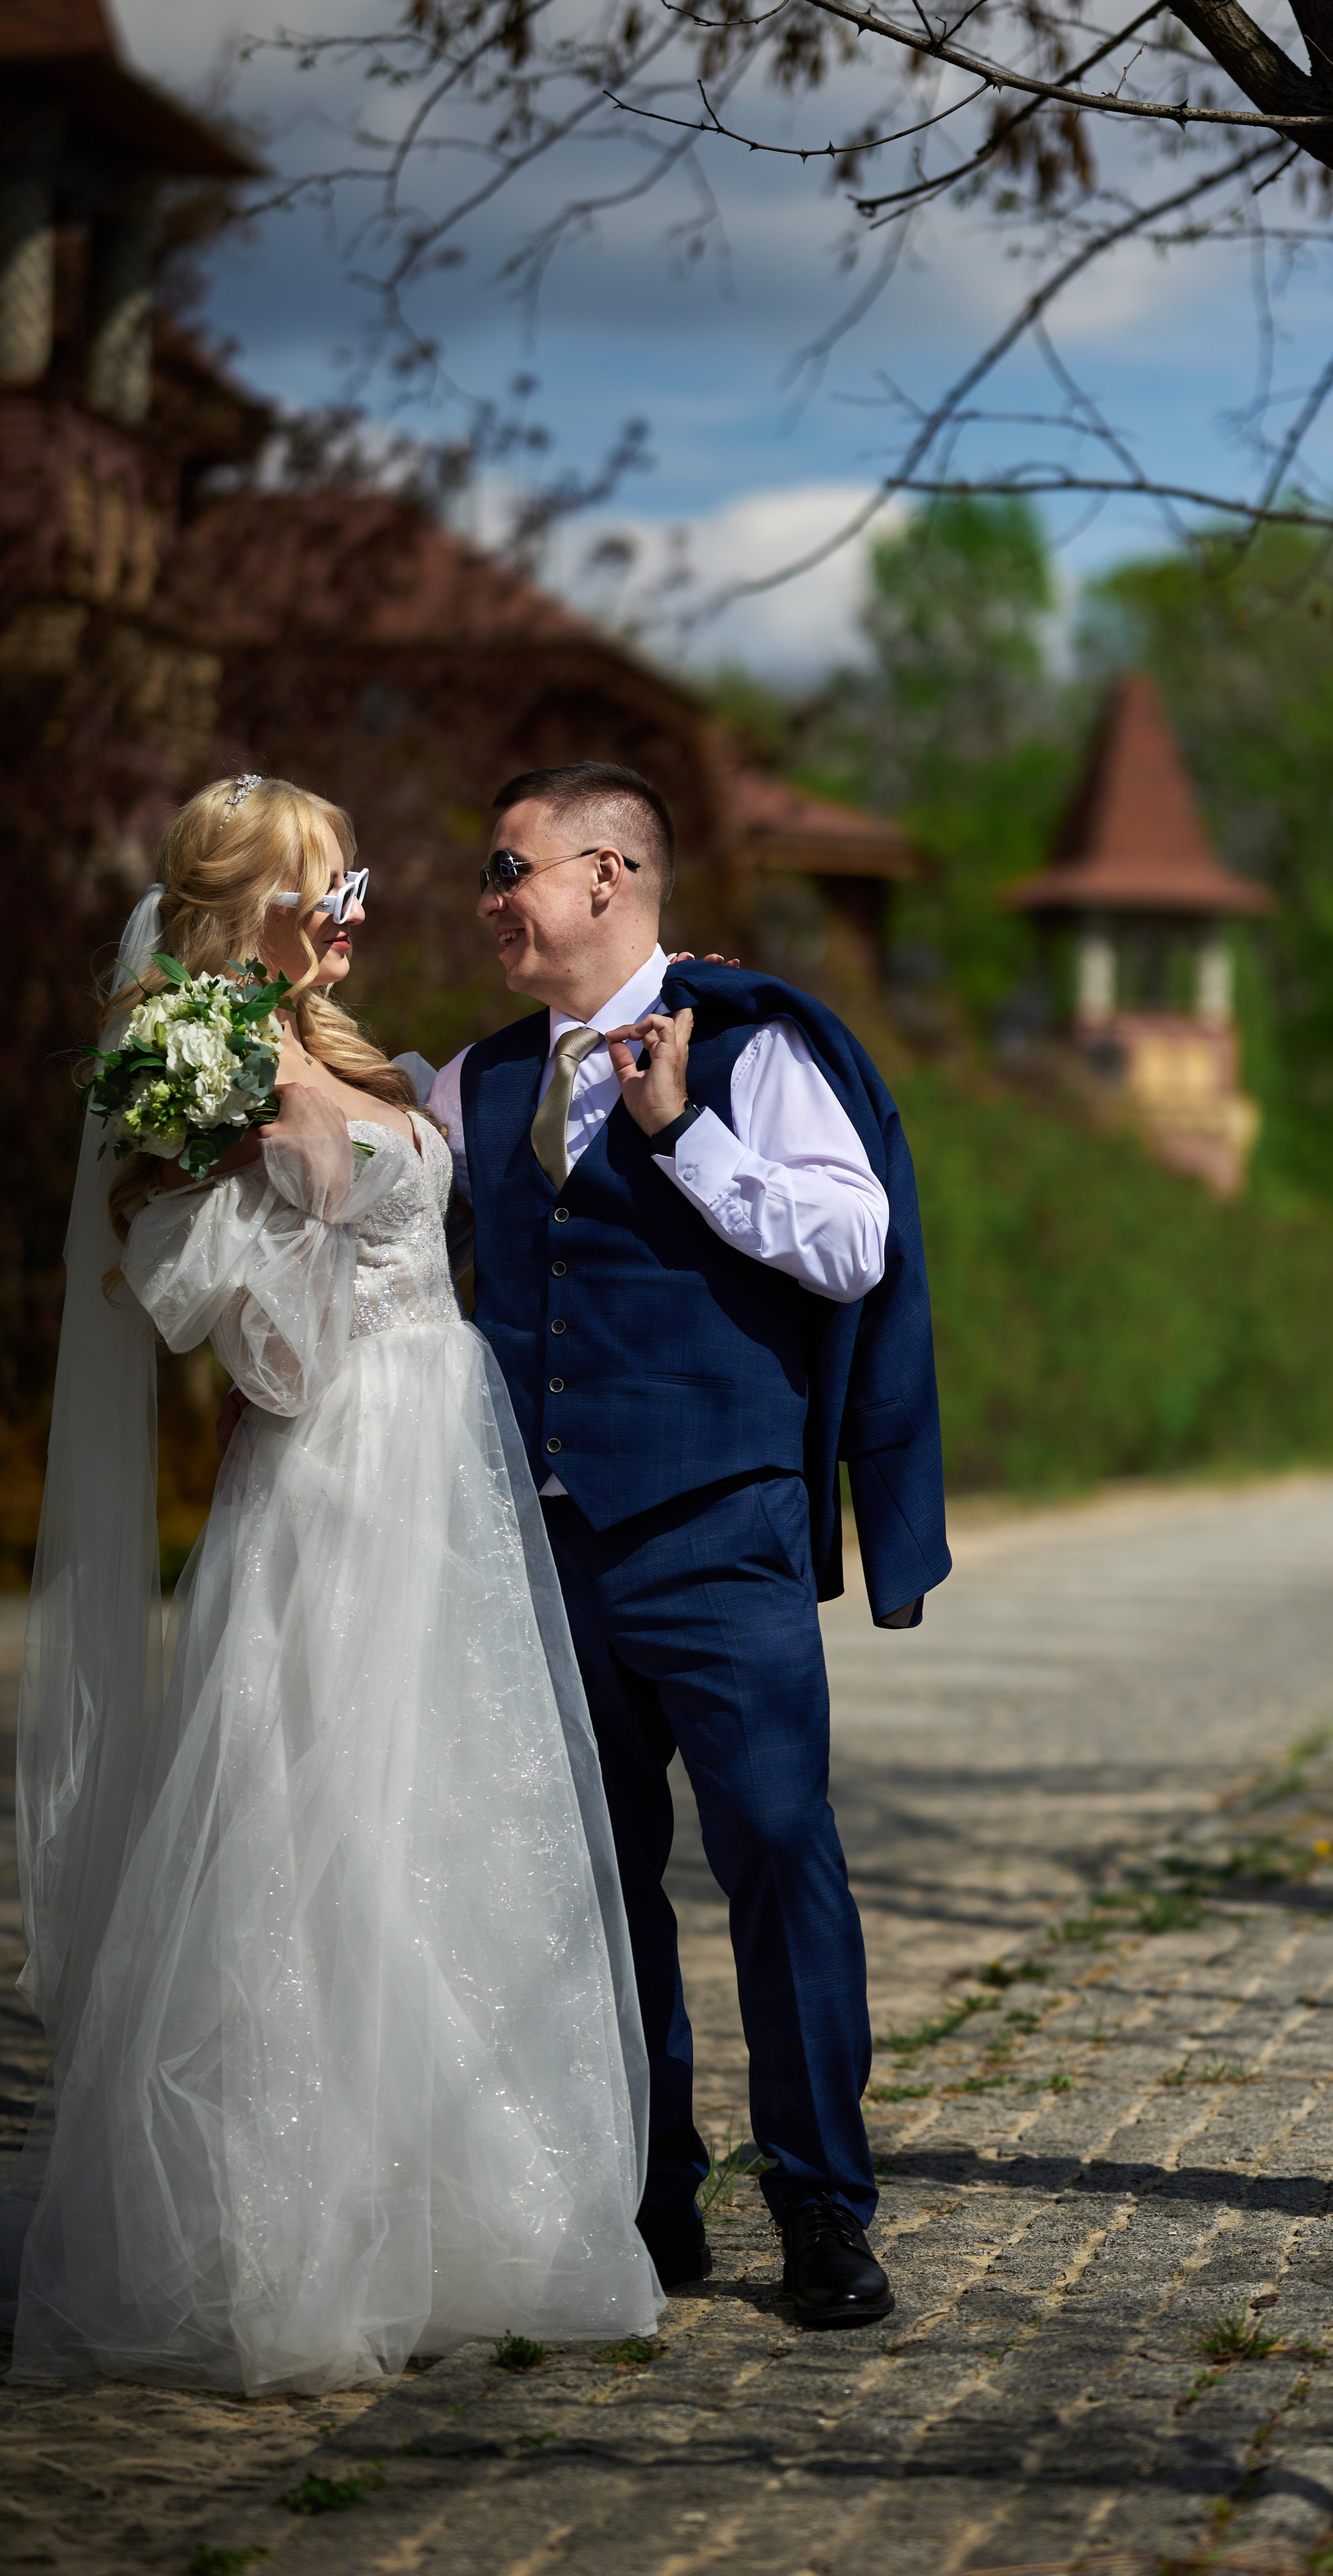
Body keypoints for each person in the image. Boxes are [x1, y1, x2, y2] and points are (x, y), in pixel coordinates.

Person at [5, 776, 660, 2393]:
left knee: (449, 1815)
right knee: (326, 1829)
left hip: (446, 1462)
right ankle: (301, 2235)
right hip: (340, 1476)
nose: (359, 912)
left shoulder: (347, 1053)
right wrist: (289, 1190)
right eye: (329, 890)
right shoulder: (202, 1082)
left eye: (358, 880)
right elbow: (275, 1361)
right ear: (251, 913)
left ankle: (456, 2211)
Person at [429, 762, 951, 2329]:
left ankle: (820, 2204)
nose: (486, 898)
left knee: (778, 1851)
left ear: (606, 875)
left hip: (718, 1532)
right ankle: (652, 2196)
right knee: (594, 1881)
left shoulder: (752, 1045)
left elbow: (853, 1244)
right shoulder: (475, 1078)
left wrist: (681, 1133)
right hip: (544, 1542)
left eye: (507, 867)